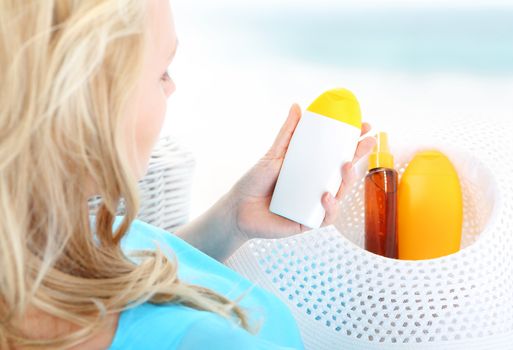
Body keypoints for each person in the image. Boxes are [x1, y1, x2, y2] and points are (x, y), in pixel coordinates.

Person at [0, 0, 375, 349]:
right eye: (162, 72)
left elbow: (135, 280)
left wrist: (233, 218)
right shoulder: (204, 340)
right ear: (89, 105)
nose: (172, 86)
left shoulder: (55, 241)